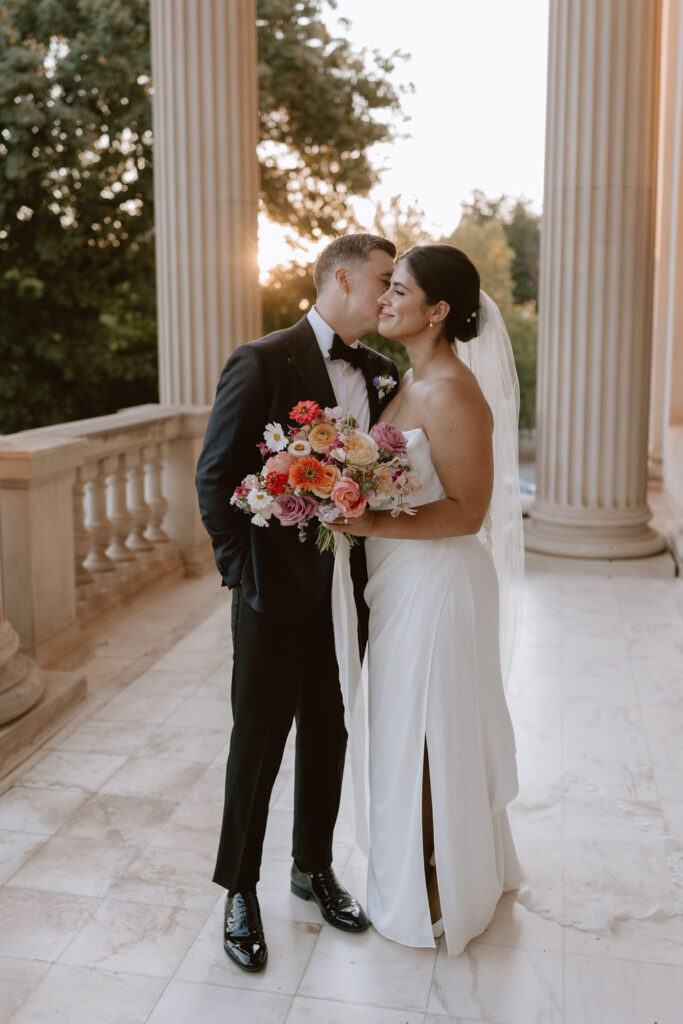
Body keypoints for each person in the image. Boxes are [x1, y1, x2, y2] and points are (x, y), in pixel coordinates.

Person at [195, 233, 400, 972]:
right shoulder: (261, 359)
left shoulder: (381, 373)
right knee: (257, 740)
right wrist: (239, 575)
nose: (387, 294)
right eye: (381, 280)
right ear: (339, 279)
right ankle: (239, 888)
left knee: (330, 729)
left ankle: (312, 868)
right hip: (271, 592)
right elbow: (215, 478)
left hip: (350, 594)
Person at [328, 243, 523, 956]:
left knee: (429, 731)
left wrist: (369, 519)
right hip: (400, 577)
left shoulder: (451, 390)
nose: (383, 300)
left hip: (440, 580)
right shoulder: (405, 383)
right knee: (406, 724)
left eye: (398, 291)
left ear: (437, 311)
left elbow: (469, 510)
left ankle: (438, 876)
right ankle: (433, 860)